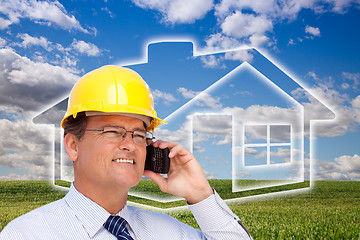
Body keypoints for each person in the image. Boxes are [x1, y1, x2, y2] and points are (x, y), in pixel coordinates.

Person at [0, 65, 251, 239]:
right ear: (73, 146)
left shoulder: (171, 233)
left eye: (139, 135)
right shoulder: (26, 234)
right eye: (111, 131)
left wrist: (201, 195)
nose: (129, 145)